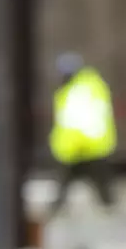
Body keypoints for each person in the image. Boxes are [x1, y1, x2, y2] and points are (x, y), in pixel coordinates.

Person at [48, 52, 117, 213]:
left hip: (84, 145)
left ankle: (109, 207)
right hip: (85, 145)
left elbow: (79, 119)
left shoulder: (79, 90)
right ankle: (109, 206)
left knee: (94, 182)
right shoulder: (87, 86)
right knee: (97, 183)